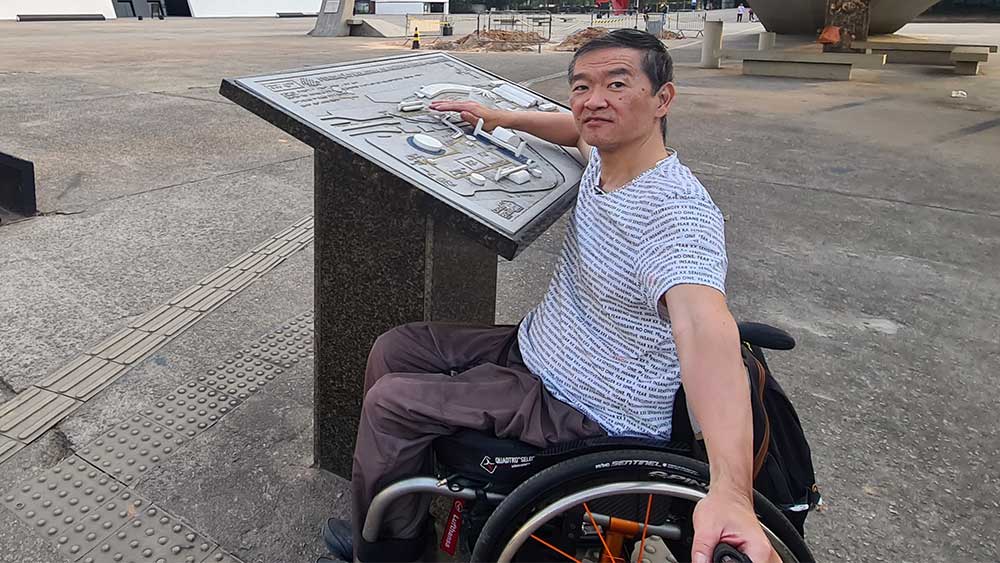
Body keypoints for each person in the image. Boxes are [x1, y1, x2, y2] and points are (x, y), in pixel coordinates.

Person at [322, 29, 780, 563]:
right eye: (581, 86)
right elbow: (574, 130)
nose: (594, 100)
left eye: (617, 83)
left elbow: (705, 328)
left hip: (588, 404)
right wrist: (497, 116)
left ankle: (390, 554)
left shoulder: (675, 215)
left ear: (663, 99)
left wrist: (731, 490)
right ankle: (406, 499)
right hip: (545, 346)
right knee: (395, 347)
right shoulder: (611, 159)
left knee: (392, 403)